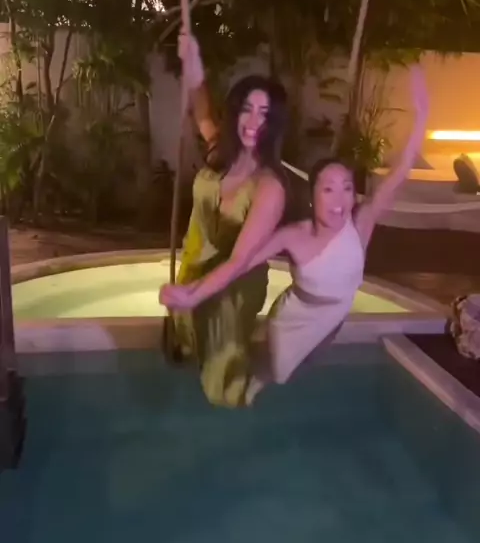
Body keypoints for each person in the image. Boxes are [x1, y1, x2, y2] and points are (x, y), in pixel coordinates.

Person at [161, 65, 429, 403]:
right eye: (328, 189)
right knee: (275, 375)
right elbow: (239, 264)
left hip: (334, 316)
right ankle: (236, 377)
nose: (339, 200)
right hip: (294, 320)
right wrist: (193, 293)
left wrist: (421, 119)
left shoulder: (360, 224)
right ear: (313, 196)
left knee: (309, 362)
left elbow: (399, 174)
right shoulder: (294, 236)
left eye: (347, 188)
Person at [163, 32, 290, 407]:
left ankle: (253, 390)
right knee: (188, 341)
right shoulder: (222, 150)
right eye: (247, 109)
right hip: (196, 265)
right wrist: (193, 58)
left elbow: (237, 262)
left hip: (234, 288)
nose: (253, 121)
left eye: (264, 114)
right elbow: (202, 108)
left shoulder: (270, 187)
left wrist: (192, 295)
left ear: (274, 123)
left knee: (223, 385)